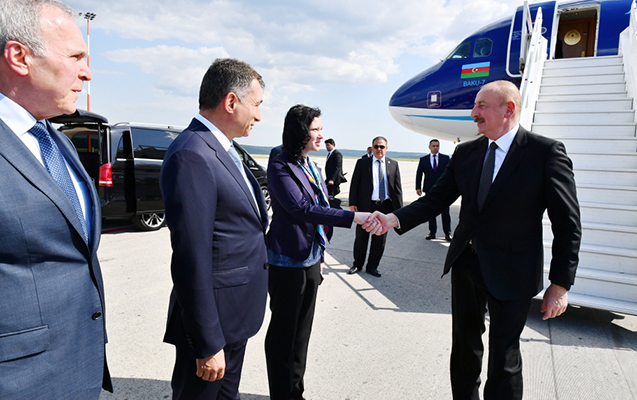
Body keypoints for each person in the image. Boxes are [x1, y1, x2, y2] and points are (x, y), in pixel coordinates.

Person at [364, 80, 581, 400]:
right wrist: (393, 218)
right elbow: (436, 199)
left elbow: (568, 224)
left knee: (505, 360)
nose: (473, 113)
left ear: (508, 109)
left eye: (481, 106)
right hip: (466, 264)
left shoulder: (545, 153)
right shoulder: (466, 152)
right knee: (464, 351)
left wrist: (560, 285)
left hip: (514, 270)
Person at [0, 0, 112, 398]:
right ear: (20, 57)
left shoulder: (57, 141)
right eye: (75, 57)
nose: (87, 72)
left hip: (78, 367)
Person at [160, 58, 269, 400]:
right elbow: (191, 257)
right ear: (231, 102)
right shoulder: (192, 154)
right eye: (257, 104)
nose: (259, 116)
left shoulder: (222, 149)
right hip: (214, 326)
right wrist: (207, 342)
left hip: (233, 316)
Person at [265, 105, 370, 400]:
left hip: (311, 257)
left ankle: (295, 392)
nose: (321, 135)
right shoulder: (281, 165)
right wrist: (355, 217)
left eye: (321, 129)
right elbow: (302, 209)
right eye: (315, 129)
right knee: (284, 335)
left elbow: (321, 206)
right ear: (300, 132)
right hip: (287, 259)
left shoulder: (310, 165)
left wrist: (320, 256)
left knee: (302, 333)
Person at [348, 136, 403, 277]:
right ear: (372, 148)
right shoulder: (362, 163)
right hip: (366, 205)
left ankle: (372, 266)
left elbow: (397, 188)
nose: (379, 149)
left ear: (386, 148)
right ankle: (357, 264)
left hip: (384, 206)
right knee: (361, 237)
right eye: (376, 146)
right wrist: (352, 202)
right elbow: (355, 184)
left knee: (380, 238)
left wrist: (400, 210)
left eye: (382, 146)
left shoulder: (393, 164)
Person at [415, 139, 452, 241]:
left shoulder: (445, 158)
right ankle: (432, 232)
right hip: (429, 189)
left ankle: (447, 233)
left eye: (437, 146)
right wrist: (418, 187)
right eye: (434, 146)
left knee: (445, 212)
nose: (435, 148)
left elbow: (450, 173)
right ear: (429, 147)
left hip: (443, 189)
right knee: (431, 212)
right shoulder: (424, 159)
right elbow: (419, 174)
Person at [324, 137, 345, 208]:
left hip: (334, 180)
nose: (326, 147)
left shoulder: (337, 154)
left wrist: (332, 179)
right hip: (329, 178)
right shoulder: (330, 154)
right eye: (326, 145)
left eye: (328, 145)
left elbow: (337, 168)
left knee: (332, 197)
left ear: (333, 144)